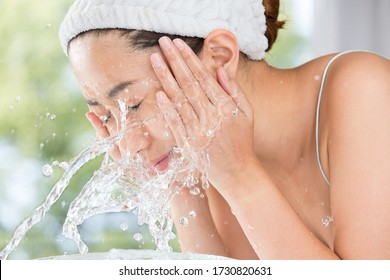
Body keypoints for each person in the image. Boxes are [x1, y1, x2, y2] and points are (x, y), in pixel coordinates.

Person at [59, 0, 390, 259]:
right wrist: (178, 188)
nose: (127, 144)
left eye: (132, 105)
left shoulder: (364, 89)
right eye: (106, 118)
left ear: (218, 56)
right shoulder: (209, 159)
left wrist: (241, 179)